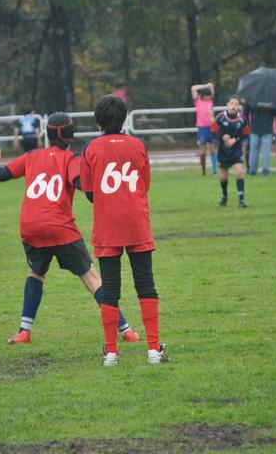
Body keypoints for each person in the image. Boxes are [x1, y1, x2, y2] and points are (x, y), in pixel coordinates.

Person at [0, 113, 140, 344]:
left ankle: (24, 332)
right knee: (91, 278)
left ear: (47, 135)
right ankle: (126, 331)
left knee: (36, 273)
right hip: (60, 227)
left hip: (31, 226)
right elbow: (82, 185)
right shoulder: (71, 159)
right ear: (71, 136)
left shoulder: (32, 156)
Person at [80, 94, 168, 366]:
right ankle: (153, 350)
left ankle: (111, 353)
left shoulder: (91, 148)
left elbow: (89, 191)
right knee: (145, 283)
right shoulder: (138, 145)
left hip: (108, 224)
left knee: (110, 287)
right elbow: (145, 184)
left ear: (98, 121)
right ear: (124, 118)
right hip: (136, 222)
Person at [216, 95, 249, 206]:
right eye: (231, 103)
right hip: (223, 151)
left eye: (236, 104)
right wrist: (222, 137)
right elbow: (214, 131)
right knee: (223, 177)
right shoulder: (220, 117)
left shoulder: (242, 119)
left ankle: (241, 200)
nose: (233, 106)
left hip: (236, 149)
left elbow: (246, 133)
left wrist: (235, 139)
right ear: (227, 104)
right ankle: (224, 195)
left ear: (239, 107)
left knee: (239, 172)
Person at [191, 82, 217, 175]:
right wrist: (205, 86)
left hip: (211, 127)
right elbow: (193, 88)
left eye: (209, 96)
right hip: (202, 128)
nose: (208, 97)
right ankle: (203, 171)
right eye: (206, 96)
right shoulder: (198, 101)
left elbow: (212, 86)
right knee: (202, 150)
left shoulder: (210, 101)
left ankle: (214, 170)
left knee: (213, 149)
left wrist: (210, 86)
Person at [247, 103, 276, 176]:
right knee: (266, 151)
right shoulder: (271, 99)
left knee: (253, 151)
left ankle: (252, 170)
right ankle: (266, 170)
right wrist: (270, 106)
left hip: (255, 127)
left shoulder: (253, 99)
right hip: (267, 128)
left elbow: (246, 110)